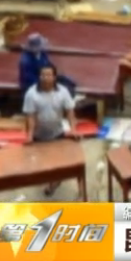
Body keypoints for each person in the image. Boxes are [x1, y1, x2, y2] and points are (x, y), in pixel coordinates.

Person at [23, 65, 78, 196]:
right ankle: (51, 178)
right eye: (43, 75)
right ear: (39, 77)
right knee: (43, 163)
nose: (45, 78)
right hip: (39, 135)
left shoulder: (63, 91)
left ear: (54, 77)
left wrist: (73, 129)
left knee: (57, 161)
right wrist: (30, 135)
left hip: (57, 133)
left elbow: (70, 112)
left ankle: (54, 182)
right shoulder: (31, 94)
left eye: (48, 75)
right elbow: (30, 116)